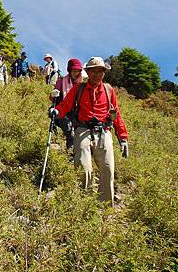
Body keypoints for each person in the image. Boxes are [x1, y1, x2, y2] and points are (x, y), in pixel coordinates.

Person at [49, 57, 129, 206]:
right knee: (83, 167)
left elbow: (116, 114)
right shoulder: (78, 88)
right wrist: (56, 111)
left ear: (104, 73)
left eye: (100, 71)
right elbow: (65, 105)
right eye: (93, 71)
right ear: (88, 72)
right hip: (82, 130)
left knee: (108, 169)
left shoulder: (108, 90)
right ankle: (85, 205)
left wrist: (123, 138)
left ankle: (105, 207)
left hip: (104, 131)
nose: (97, 75)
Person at [50, 58, 84, 152]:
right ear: (69, 70)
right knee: (69, 133)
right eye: (74, 70)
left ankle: (75, 152)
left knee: (78, 133)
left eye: (78, 71)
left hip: (78, 112)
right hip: (63, 111)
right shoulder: (61, 82)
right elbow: (52, 98)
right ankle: (71, 152)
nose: (75, 73)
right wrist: (54, 94)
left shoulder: (83, 84)